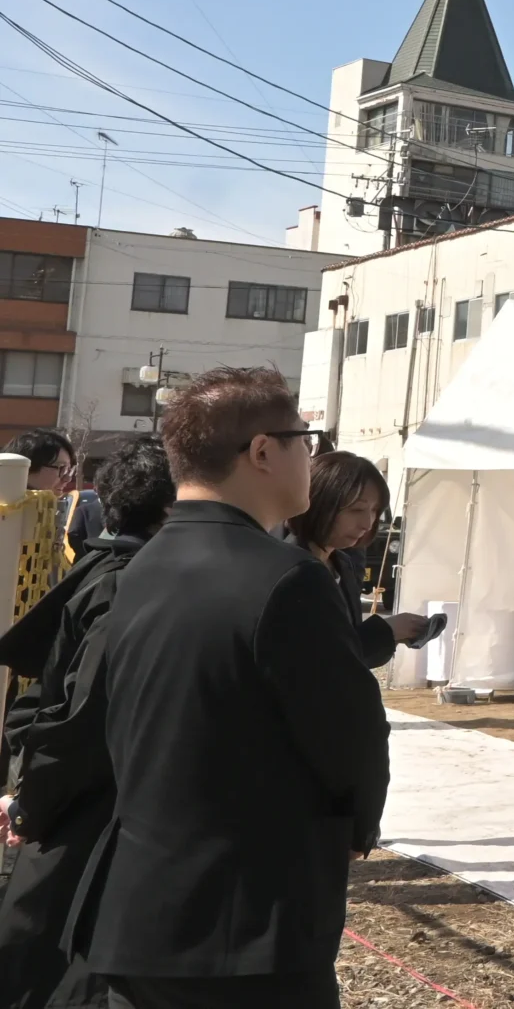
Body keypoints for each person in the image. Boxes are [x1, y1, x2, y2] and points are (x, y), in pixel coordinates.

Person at [73, 367, 389, 1008]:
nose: (313, 453)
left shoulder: (138, 569)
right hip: (249, 927)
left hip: (137, 913)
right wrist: (359, 824)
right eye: (307, 437)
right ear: (264, 451)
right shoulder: (287, 579)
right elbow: (351, 737)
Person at [0, 437, 176, 1009]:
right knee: (56, 952)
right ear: (170, 510)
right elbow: (81, 716)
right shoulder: (129, 583)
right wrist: (32, 802)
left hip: (69, 795)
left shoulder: (100, 569)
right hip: (85, 806)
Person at [279, 451, 431, 668]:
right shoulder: (286, 569)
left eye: (374, 511)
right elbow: (316, 658)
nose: (367, 523)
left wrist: (393, 634)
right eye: (356, 509)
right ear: (319, 503)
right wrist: (388, 630)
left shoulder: (342, 564)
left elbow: (351, 648)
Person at [7, 427, 101, 562]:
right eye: (61, 468)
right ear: (27, 467)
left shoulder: (48, 517)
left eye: (69, 470)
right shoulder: (7, 513)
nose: (67, 478)